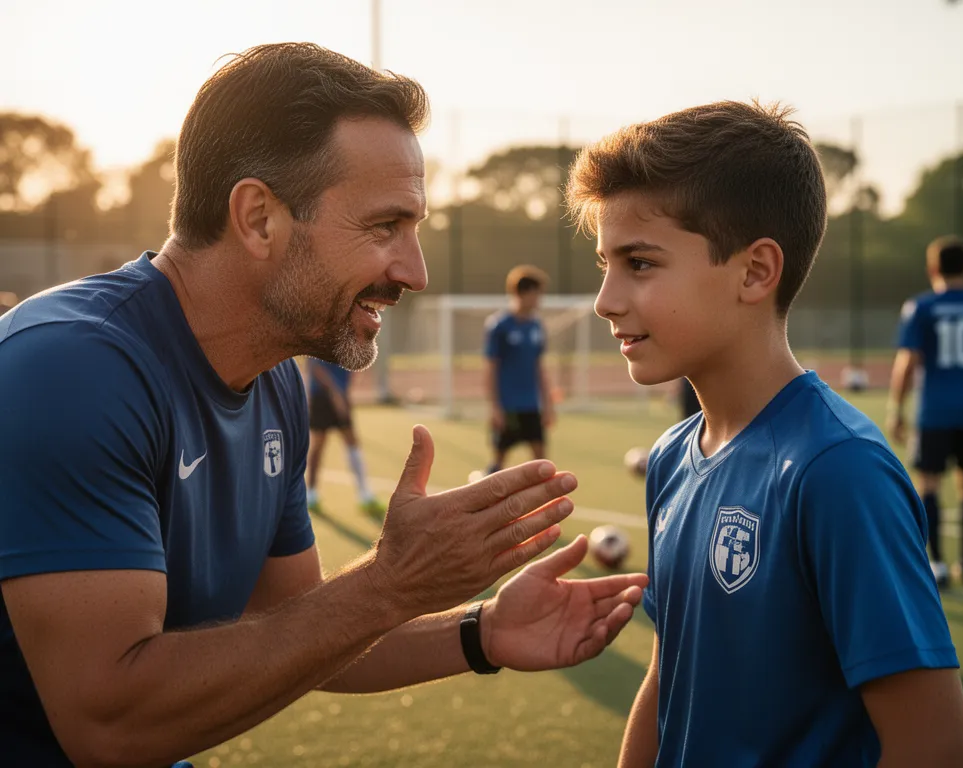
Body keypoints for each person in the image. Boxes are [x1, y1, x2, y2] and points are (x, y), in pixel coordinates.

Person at [0, 43, 648, 767]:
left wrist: (481, 631)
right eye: (384, 227)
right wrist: (392, 583)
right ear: (258, 218)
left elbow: (300, 629)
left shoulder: (277, 382)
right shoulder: (71, 369)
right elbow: (109, 726)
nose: (415, 271)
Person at [566, 101, 963, 766]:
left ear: (756, 271)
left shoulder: (836, 470)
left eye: (639, 263)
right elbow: (669, 674)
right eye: (604, 264)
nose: (605, 299)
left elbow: (937, 749)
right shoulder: (672, 456)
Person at [888, 235, 963, 587]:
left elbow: (907, 363)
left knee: (929, 484)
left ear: (932, 269)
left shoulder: (921, 307)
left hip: (934, 413)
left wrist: (897, 408)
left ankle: (937, 562)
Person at [483, 265, 555, 474]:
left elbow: (539, 367)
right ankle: (484, 488)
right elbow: (490, 368)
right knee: (498, 461)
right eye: (536, 294)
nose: (539, 300)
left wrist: (548, 404)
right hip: (508, 406)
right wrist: (494, 407)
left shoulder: (536, 326)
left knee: (542, 462)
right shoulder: (499, 326)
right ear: (521, 293)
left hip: (531, 404)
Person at [304, 357, 387, 518]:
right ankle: (311, 495)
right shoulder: (322, 341)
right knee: (318, 445)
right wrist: (335, 393)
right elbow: (314, 366)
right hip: (322, 396)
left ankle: (365, 495)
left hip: (340, 395)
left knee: (352, 442)